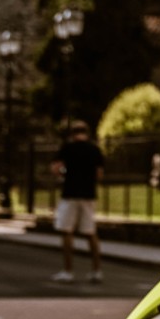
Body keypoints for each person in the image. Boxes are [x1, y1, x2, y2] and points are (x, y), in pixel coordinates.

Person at [50, 120, 105, 283]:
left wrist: (64, 174)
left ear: (72, 134)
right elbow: (99, 174)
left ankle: (68, 271)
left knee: (67, 231)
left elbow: (55, 168)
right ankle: (96, 270)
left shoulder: (68, 148)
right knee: (90, 232)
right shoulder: (95, 149)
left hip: (70, 193)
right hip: (88, 194)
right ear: (87, 132)